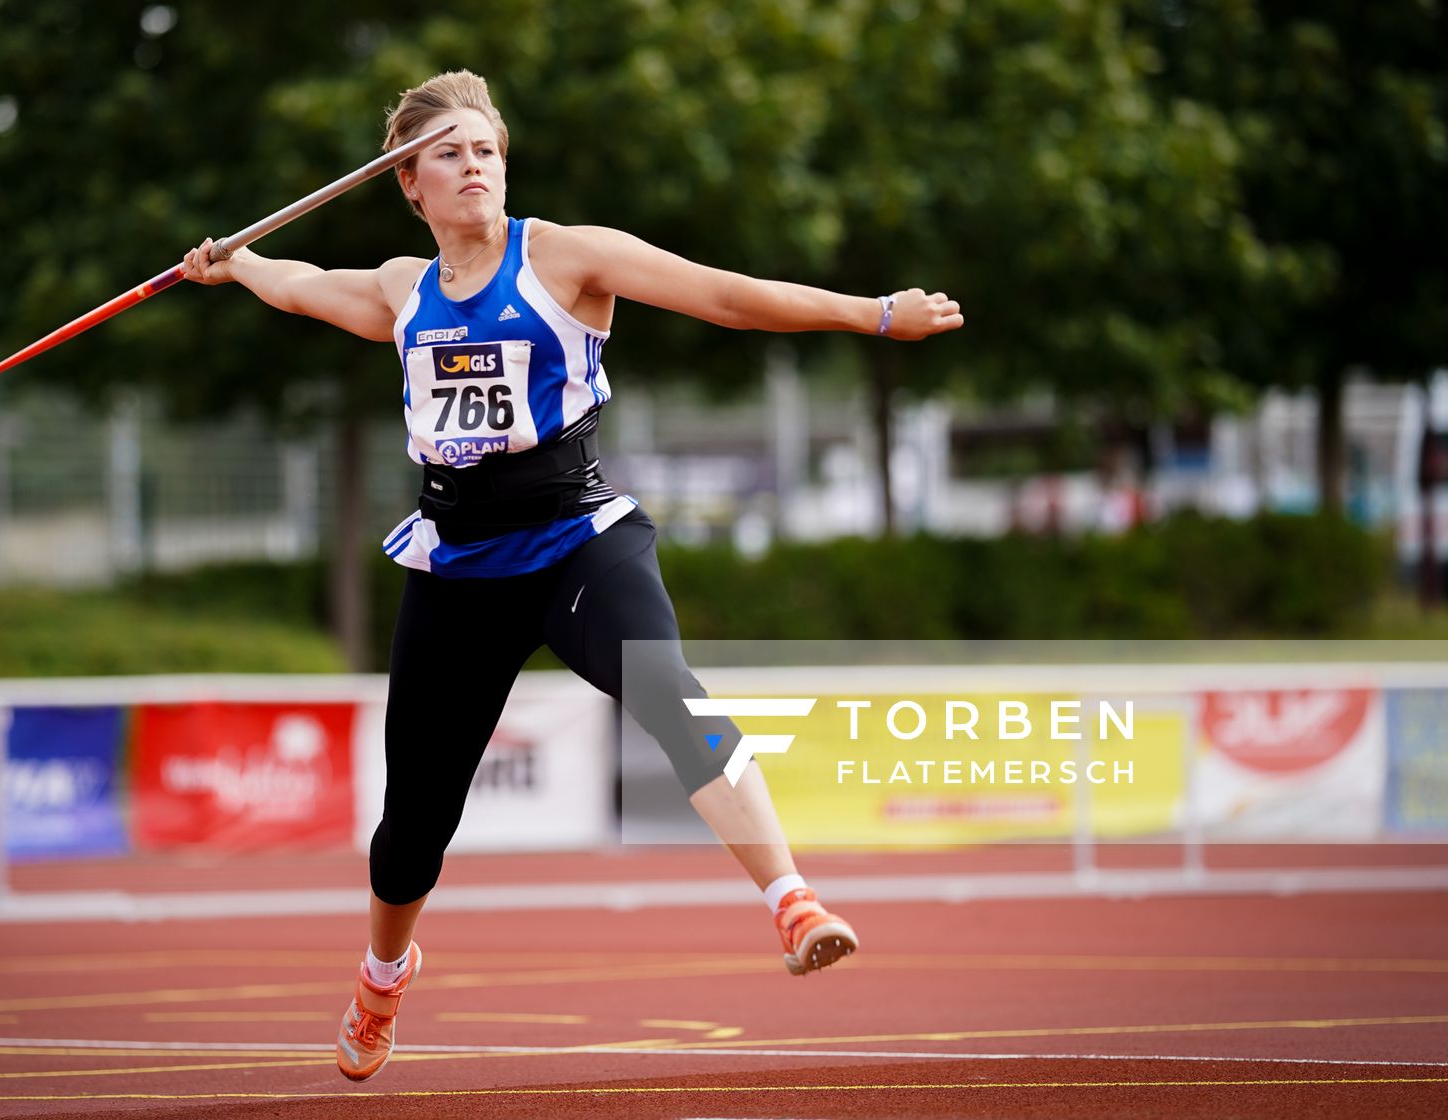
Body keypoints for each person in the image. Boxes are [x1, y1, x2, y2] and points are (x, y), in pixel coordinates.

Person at [180, 70, 965, 1082]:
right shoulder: (401, 289)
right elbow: (299, 284)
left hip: (576, 539)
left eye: (488, 149)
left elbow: (727, 296)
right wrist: (235, 264)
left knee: (672, 695)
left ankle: (791, 899)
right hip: (458, 566)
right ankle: (383, 974)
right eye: (451, 153)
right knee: (414, 816)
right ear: (408, 183)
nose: (476, 166)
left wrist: (876, 314)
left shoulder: (564, 256)